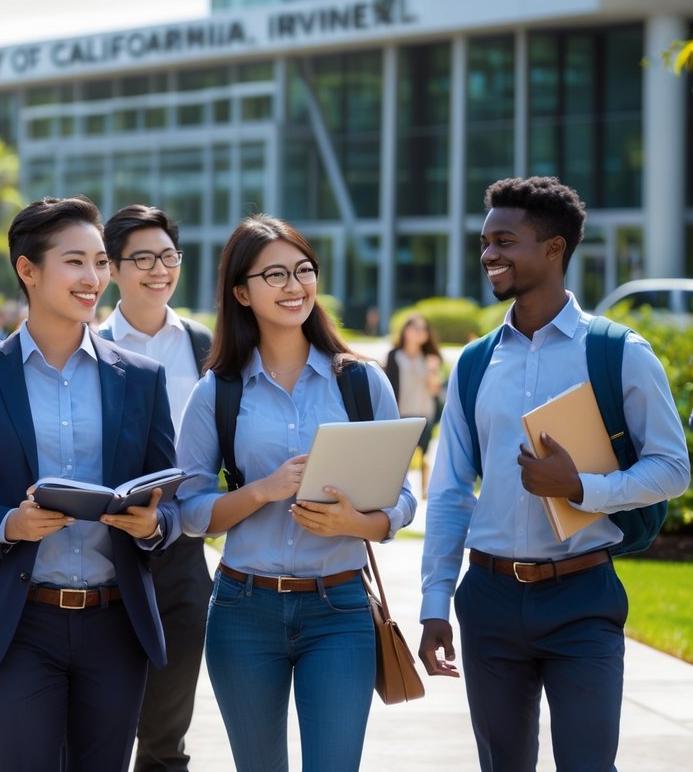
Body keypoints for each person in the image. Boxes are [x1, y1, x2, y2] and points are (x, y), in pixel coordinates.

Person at [418, 176, 690, 771]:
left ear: (554, 249)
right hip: (488, 599)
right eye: (485, 240)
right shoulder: (474, 362)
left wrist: (581, 489)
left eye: (505, 240)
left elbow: (673, 468)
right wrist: (435, 602)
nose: (488, 253)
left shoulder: (619, 353)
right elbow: (448, 493)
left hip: (583, 596)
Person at [0, 196, 181, 772]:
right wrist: (8, 523)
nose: (93, 278)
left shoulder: (142, 379)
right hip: (22, 621)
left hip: (116, 621)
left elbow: (169, 499)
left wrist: (152, 525)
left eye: (100, 262)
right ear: (28, 270)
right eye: (75, 262)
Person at [175, 215, 416, 772]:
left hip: (340, 609)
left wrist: (358, 524)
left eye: (303, 270)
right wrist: (260, 491)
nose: (294, 286)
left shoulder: (360, 380)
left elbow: (401, 498)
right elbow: (188, 513)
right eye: (275, 274)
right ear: (241, 291)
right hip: (243, 610)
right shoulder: (217, 391)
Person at [97, 204, 212, 772]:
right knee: (98, 730)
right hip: (105, 552)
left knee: (167, 737)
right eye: (142, 258)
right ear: (111, 267)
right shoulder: (85, 346)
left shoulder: (203, 346)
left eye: (168, 257)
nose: (159, 269)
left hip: (182, 552)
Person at [382, 313, 443, 498]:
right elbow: (388, 387)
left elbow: (434, 390)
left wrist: (432, 370)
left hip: (424, 413)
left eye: (423, 329)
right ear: (405, 330)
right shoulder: (394, 356)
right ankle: (396, 491)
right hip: (401, 413)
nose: (419, 332)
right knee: (400, 457)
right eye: (415, 327)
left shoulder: (430, 358)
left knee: (424, 452)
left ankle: (424, 491)